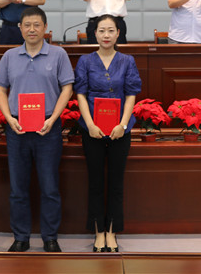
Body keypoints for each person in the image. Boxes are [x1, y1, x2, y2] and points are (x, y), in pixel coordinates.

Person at [0, 7, 74, 253]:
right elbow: (0, 89)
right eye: (27, 25)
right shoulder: (9, 56)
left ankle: (50, 237)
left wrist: (54, 119)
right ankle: (21, 237)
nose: (32, 29)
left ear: (45, 28)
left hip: (48, 128)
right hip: (17, 128)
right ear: (20, 28)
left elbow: (67, 88)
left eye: (37, 25)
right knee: (18, 188)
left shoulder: (58, 54)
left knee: (49, 186)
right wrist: (8, 118)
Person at [74, 14, 140, 253]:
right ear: (95, 33)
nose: (106, 35)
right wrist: (90, 124)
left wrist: (122, 124)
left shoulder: (127, 60)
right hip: (92, 130)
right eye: (101, 30)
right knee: (95, 182)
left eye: (111, 30)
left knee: (115, 182)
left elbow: (131, 93)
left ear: (118, 33)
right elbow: (80, 93)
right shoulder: (85, 61)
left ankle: (112, 231)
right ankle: (98, 232)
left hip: (119, 130)